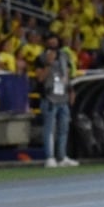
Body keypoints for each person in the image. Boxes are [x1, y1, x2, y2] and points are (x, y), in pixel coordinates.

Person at [37, 34, 79, 168]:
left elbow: (66, 74)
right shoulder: (41, 58)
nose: (53, 42)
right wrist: (48, 64)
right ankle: (49, 157)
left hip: (63, 96)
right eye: (50, 40)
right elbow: (40, 78)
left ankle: (62, 156)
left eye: (55, 40)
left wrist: (71, 90)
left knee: (63, 128)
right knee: (49, 129)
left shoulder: (64, 56)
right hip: (49, 97)